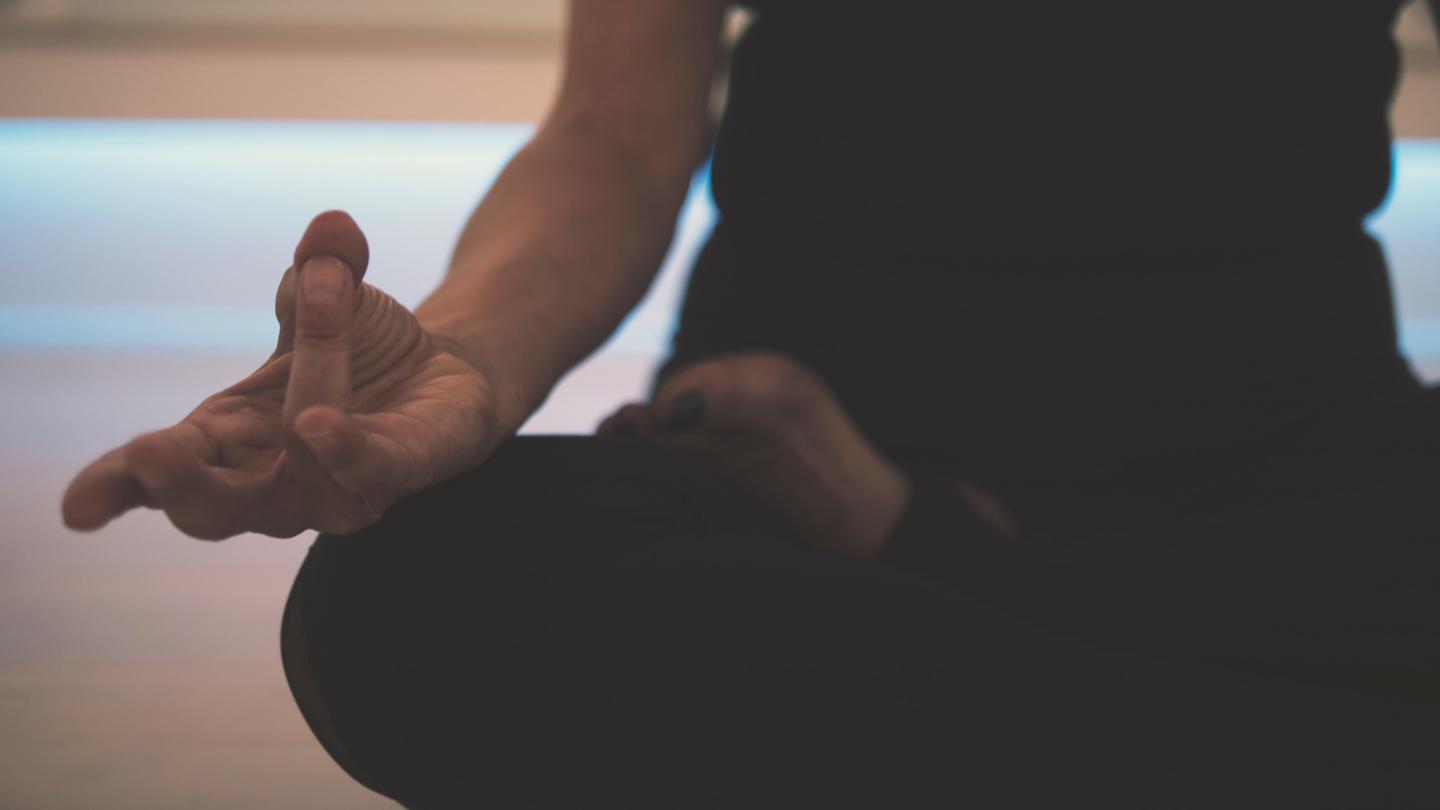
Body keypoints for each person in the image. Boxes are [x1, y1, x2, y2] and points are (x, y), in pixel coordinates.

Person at [62, 1, 1440, 806]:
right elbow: (617, 126)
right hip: (772, 481)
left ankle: (929, 582)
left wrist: (915, 551)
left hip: (1276, 494)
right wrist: (471, 358)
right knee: (410, 602)